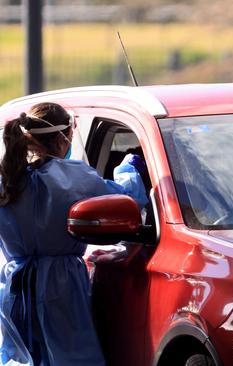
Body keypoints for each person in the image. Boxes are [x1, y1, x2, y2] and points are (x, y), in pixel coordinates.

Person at [0, 102, 148, 366]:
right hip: (61, 288)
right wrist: (130, 166)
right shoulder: (74, 178)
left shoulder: (8, 179)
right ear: (62, 138)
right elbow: (128, 197)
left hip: (14, 287)